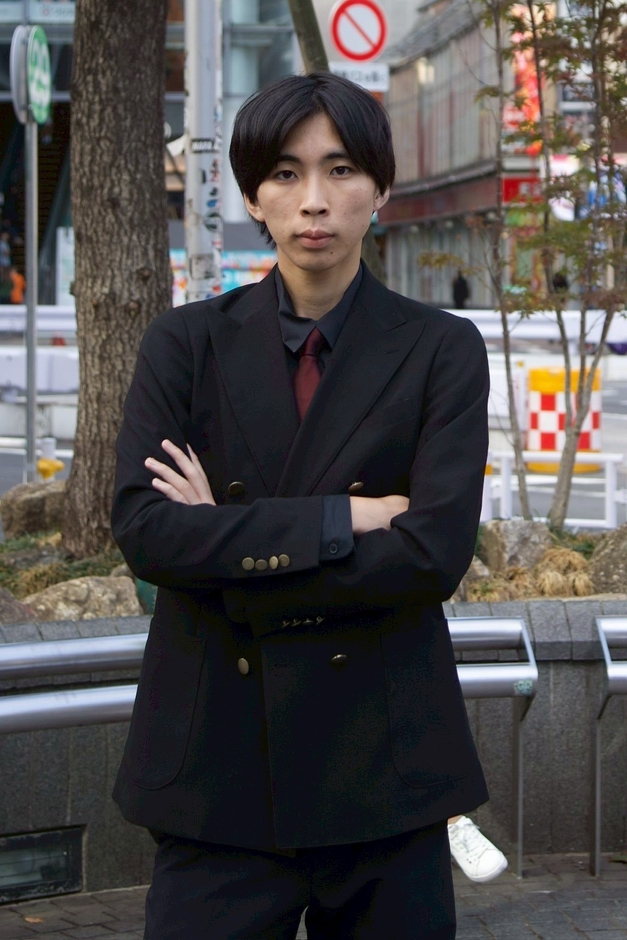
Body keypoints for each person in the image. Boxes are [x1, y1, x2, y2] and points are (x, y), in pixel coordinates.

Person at [111, 72, 491, 940]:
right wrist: (341, 519)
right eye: (285, 173)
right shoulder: (185, 344)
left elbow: (430, 554)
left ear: (380, 188)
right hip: (218, 766)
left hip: (383, 765)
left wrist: (222, 544)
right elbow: (147, 533)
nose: (313, 199)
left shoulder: (440, 348)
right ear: (253, 195)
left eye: (340, 169)